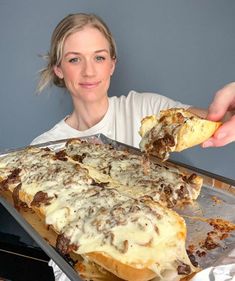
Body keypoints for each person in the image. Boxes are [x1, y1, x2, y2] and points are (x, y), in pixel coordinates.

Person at [31, 12, 235, 281]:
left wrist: (229, 112)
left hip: (185, 243)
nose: (89, 70)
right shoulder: (43, 150)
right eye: (74, 59)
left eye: (99, 57)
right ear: (58, 68)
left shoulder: (147, 110)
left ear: (112, 64)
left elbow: (212, 121)